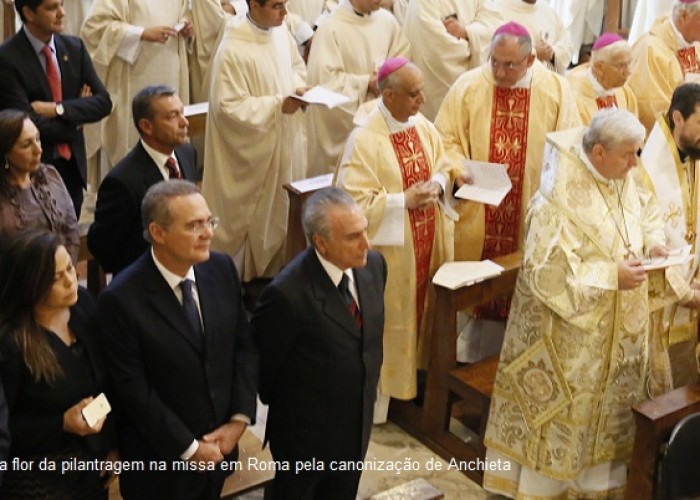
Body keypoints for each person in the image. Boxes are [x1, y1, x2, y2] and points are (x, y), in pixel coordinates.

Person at [483, 108, 700, 498]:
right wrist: (610, 276)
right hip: (570, 341)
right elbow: (545, 274)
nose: (636, 164)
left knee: (610, 423)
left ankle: (599, 488)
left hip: (620, 337)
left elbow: (646, 207)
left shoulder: (622, 174)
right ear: (598, 153)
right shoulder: (555, 201)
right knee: (565, 423)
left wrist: (653, 241)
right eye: (628, 155)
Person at [96, 180, 257, 500]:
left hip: (221, 451)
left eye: (209, 221)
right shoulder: (121, 299)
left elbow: (243, 347)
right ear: (158, 233)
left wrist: (238, 421)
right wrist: (190, 448)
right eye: (194, 225)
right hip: (161, 464)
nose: (208, 233)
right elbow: (133, 389)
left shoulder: (221, 269)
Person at [435, 21, 579, 362]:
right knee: (474, 299)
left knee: (518, 301)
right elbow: (445, 138)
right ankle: (464, 371)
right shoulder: (468, 86)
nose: (498, 71)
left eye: (509, 64)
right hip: (477, 214)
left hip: (528, 215)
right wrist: (458, 172)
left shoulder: (557, 91)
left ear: (530, 61)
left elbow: (569, 149)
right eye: (494, 61)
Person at [336, 58, 464, 421]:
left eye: (422, 91)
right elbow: (352, 201)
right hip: (390, 253)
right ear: (388, 95)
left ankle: (414, 383)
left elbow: (441, 164)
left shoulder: (420, 125)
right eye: (413, 94)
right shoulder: (364, 139)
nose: (422, 100)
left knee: (420, 314)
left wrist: (437, 185)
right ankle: (379, 403)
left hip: (425, 242)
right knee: (390, 320)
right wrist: (401, 201)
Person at [252, 187, 386, 499]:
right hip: (305, 438)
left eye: (365, 230)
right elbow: (264, 370)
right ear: (321, 243)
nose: (366, 243)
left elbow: (367, 341)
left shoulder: (374, 266)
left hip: (356, 425)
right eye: (353, 236)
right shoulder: (287, 294)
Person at [0, 231, 116, 499]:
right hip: (38, 474)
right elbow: (7, 428)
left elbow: (109, 381)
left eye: (70, 268)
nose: (71, 280)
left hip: (91, 464)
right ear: (31, 285)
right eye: (56, 278)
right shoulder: (12, 342)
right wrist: (61, 423)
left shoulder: (84, 305)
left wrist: (113, 445)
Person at [202, 0, 308, 281]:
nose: (285, 13)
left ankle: (275, 280)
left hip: (282, 144)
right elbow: (228, 107)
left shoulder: (280, 31)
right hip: (251, 155)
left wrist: (298, 87)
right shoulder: (233, 48)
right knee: (249, 230)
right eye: (276, 6)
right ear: (252, 5)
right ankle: (241, 288)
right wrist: (276, 106)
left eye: (285, 4)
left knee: (282, 215)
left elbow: (296, 66)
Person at [0, 0, 112, 217]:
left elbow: (103, 102)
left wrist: (57, 109)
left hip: (72, 170)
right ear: (28, 13)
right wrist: (77, 120)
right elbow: (24, 123)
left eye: (61, 5)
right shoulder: (7, 58)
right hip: (32, 171)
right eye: (52, 8)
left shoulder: (74, 48)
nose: (62, 13)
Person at [88, 85, 196, 275]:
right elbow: (103, 249)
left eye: (182, 113)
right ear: (146, 126)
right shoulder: (122, 181)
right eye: (172, 117)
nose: (184, 122)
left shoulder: (186, 154)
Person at [81, 0, 193, 168]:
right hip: (133, 76)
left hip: (170, 71)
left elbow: (186, 15)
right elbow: (93, 28)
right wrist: (141, 34)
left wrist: (187, 29)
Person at [305, 0, 410, 175]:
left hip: (381, 119)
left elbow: (402, 56)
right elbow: (324, 82)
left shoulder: (388, 21)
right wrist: (366, 83)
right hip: (343, 128)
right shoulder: (330, 28)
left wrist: (389, 77)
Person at [641, 82, 700, 391]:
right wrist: (685, 292)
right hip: (663, 306)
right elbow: (647, 247)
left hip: (693, 295)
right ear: (678, 118)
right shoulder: (647, 173)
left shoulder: (694, 151)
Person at [401, 0, 503, 120]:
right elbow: (435, 47)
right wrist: (473, 46)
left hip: (474, 87)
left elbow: (495, 25)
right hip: (436, 86)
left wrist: (466, 32)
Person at [0, 110, 79, 263]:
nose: (38, 150)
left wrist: (67, 270)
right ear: (6, 153)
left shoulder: (50, 175)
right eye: (26, 145)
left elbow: (71, 228)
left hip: (61, 275)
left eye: (38, 139)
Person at [628, 0, 700, 133]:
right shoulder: (651, 50)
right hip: (670, 141)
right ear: (684, 16)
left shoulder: (694, 43)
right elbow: (653, 110)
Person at [566, 33, 639, 125]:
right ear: (599, 67)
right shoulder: (574, 97)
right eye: (621, 65)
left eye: (629, 63)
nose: (629, 72)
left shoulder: (625, 92)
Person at [490, 0, 573, 74]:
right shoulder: (497, 10)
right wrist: (534, 53)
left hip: (549, 85)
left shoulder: (547, 9)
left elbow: (566, 42)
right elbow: (493, 57)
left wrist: (552, 53)